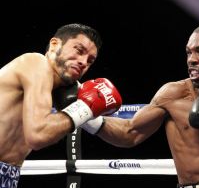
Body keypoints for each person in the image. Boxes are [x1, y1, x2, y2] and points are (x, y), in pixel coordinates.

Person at [84, 24, 199, 188]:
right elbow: (129, 133)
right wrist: (81, 115)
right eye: (189, 52)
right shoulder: (172, 94)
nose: (192, 60)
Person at [0, 23, 122, 188]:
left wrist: (162, 105)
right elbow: (37, 135)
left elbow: (128, 135)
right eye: (79, 51)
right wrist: (85, 108)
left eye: (90, 61)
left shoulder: (69, 91)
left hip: (9, 174)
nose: (83, 62)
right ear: (54, 44)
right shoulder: (35, 63)